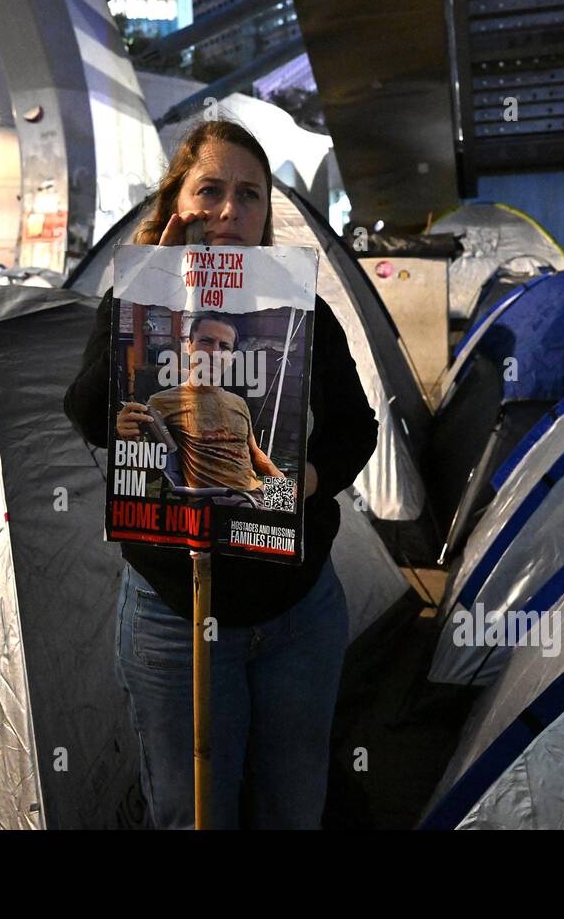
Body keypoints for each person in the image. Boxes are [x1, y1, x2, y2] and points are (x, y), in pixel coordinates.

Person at [63, 119, 378, 829]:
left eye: (250, 195)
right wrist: (146, 293)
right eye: (211, 190)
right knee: (191, 814)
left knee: (294, 809)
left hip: (297, 614)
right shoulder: (137, 305)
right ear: (177, 201)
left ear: (267, 215)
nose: (231, 210)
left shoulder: (302, 313)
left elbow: (359, 429)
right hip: (175, 616)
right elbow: (86, 413)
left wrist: (306, 481)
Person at [133, 311, 285, 503]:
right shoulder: (162, 402)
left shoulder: (238, 403)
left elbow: (254, 452)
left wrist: (280, 479)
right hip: (222, 502)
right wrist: (130, 439)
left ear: (231, 358)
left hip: (255, 495)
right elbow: (150, 473)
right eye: (206, 341)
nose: (214, 353)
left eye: (224, 347)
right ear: (189, 346)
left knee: (299, 509)